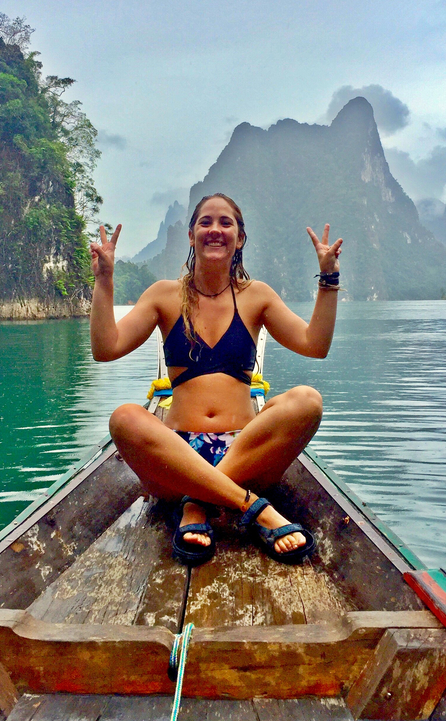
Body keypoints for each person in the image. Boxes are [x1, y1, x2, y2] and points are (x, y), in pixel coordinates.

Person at [89, 193, 342, 565]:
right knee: (125, 418)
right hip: (177, 458)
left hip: (246, 455)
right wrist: (105, 281)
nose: (215, 230)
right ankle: (250, 506)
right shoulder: (165, 295)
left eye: (226, 223)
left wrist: (329, 278)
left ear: (240, 238)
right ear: (191, 235)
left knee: (307, 401)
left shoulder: (257, 296)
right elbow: (106, 348)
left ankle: (197, 501)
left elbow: (314, 345)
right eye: (206, 222)